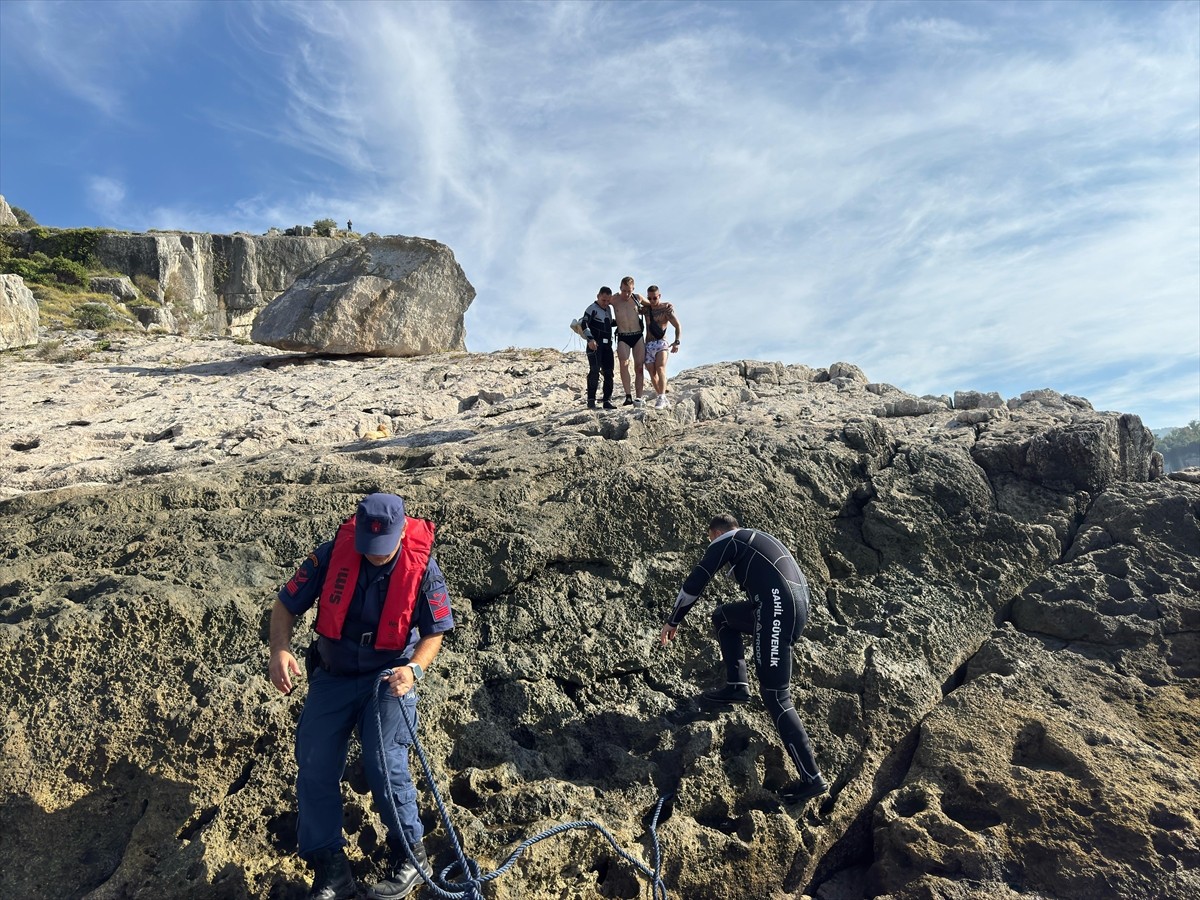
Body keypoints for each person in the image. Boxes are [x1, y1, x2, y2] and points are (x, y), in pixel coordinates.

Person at [269, 493, 455, 900]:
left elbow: (435, 631)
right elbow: (285, 605)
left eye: (383, 548)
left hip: (389, 677)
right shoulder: (332, 553)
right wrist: (279, 650)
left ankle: (411, 856)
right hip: (333, 675)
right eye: (368, 548)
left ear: (403, 530)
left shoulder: (423, 567)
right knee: (314, 761)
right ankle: (331, 870)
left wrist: (414, 669)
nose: (374, 556)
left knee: (383, 759)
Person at [658, 513, 830, 804]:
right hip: (793, 606)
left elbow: (698, 578)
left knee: (776, 696)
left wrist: (673, 620)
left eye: (709, 538)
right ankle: (737, 686)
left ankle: (812, 778)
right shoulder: (756, 538)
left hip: (777, 610)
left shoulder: (728, 539)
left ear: (714, 532)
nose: (710, 543)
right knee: (723, 617)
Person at [640, 286, 681, 409]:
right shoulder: (646, 310)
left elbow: (677, 325)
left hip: (661, 343)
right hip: (648, 344)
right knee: (652, 373)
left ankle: (662, 396)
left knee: (660, 367)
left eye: (655, 298)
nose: (652, 300)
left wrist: (677, 341)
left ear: (659, 296)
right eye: (649, 298)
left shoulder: (666, 310)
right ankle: (661, 397)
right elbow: (635, 300)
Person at [610, 275, 646, 406]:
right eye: (624, 290)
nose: (626, 294)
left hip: (637, 335)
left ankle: (639, 397)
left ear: (633, 289)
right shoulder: (614, 299)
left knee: (639, 367)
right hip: (623, 336)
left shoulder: (637, 298)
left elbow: (653, 305)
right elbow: (600, 302)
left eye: (629, 291)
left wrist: (666, 305)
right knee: (623, 364)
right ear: (620, 288)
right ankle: (628, 396)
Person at [581, 286, 617, 409]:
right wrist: (590, 339)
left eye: (608, 301)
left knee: (609, 373)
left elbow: (609, 323)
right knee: (594, 371)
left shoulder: (608, 309)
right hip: (595, 345)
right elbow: (584, 323)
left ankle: (607, 400)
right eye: (603, 300)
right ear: (598, 296)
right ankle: (591, 400)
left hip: (608, 346)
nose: (606, 303)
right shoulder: (592, 308)